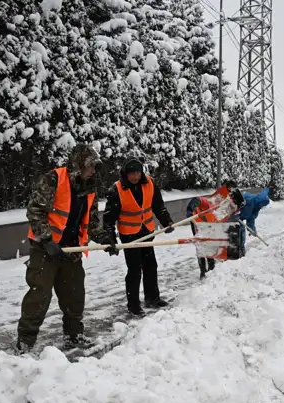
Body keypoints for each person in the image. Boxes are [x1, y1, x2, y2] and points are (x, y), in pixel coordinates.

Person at [15, 144, 117, 355]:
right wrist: (46, 240)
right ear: (78, 163)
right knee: (39, 295)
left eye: (95, 167)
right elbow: (35, 210)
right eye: (90, 166)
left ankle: (73, 336)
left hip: (72, 250)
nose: (92, 171)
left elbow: (92, 222)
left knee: (74, 295)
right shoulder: (54, 179)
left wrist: (106, 239)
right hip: (46, 250)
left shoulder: (90, 189)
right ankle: (25, 342)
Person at [103, 158, 175, 316]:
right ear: (125, 174)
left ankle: (152, 298)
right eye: (132, 173)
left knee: (151, 265)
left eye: (138, 172)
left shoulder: (149, 183)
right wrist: (110, 239)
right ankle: (133, 304)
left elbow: (158, 205)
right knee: (134, 269)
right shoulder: (117, 189)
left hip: (147, 231)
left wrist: (167, 222)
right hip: (129, 236)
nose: (135, 176)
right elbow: (109, 218)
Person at [185, 179, 242, 278]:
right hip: (197, 222)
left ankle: (211, 270)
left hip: (208, 225)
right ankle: (203, 272)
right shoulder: (212, 203)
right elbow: (198, 200)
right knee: (201, 245)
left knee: (210, 244)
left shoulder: (222, 214)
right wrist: (190, 208)